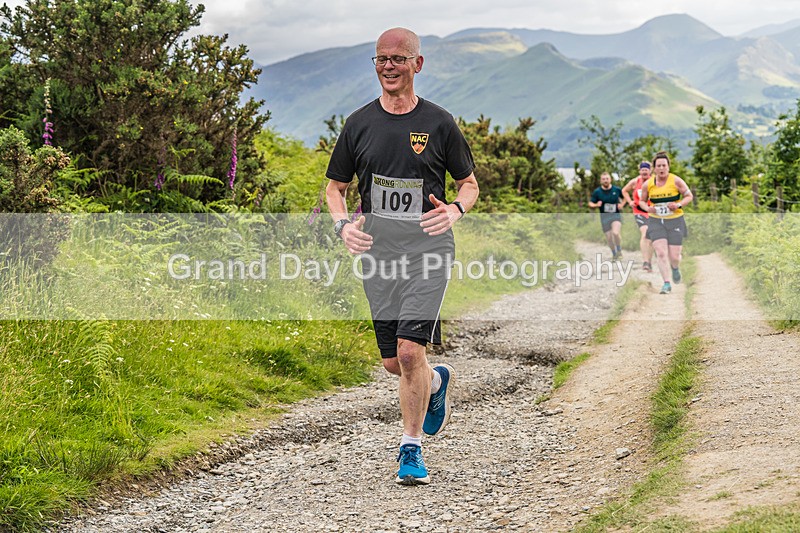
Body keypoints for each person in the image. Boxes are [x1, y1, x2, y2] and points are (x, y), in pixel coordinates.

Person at [325, 27, 480, 486]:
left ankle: (410, 449)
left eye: (397, 58)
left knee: (411, 352)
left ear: (417, 64)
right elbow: (335, 189)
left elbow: (469, 185)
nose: (387, 67)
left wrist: (453, 211)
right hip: (378, 255)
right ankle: (434, 383)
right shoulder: (358, 124)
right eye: (380, 60)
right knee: (395, 363)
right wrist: (342, 225)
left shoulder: (439, 123)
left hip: (429, 252)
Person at [638, 151, 693, 294]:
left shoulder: (676, 181)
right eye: (658, 166)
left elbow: (689, 196)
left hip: (675, 221)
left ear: (668, 167)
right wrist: (648, 208)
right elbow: (642, 201)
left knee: (674, 256)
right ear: (654, 169)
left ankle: (675, 268)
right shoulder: (648, 184)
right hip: (656, 221)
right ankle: (666, 283)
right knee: (661, 253)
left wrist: (678, 205)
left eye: (664, 165)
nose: (661, 168)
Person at [622, 161, 654, 272]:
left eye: (646, 169)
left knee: (651, 238)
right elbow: (624, 190)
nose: (644, 171)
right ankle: (645, 261)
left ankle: (649, 262)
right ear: (639, 171)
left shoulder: (654, 181)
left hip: (651, 211)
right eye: (642, 170)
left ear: (650, 171)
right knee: (644, 233)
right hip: (639, 211)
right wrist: (630, 201)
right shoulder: (635, 182)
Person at [588, 172, 625, 260]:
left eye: (607, 179)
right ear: (601, 181)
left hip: (615, 215)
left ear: (610, 179)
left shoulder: (616, 190)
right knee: (609, 238)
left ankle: (619, 250)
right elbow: (590, 203)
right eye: (603, 179)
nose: (605, 181)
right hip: (604, 217)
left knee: (615, 233)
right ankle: (614, 253)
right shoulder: (597, 192)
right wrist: (596, 205)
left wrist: (622, 204)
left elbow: (625, 197)